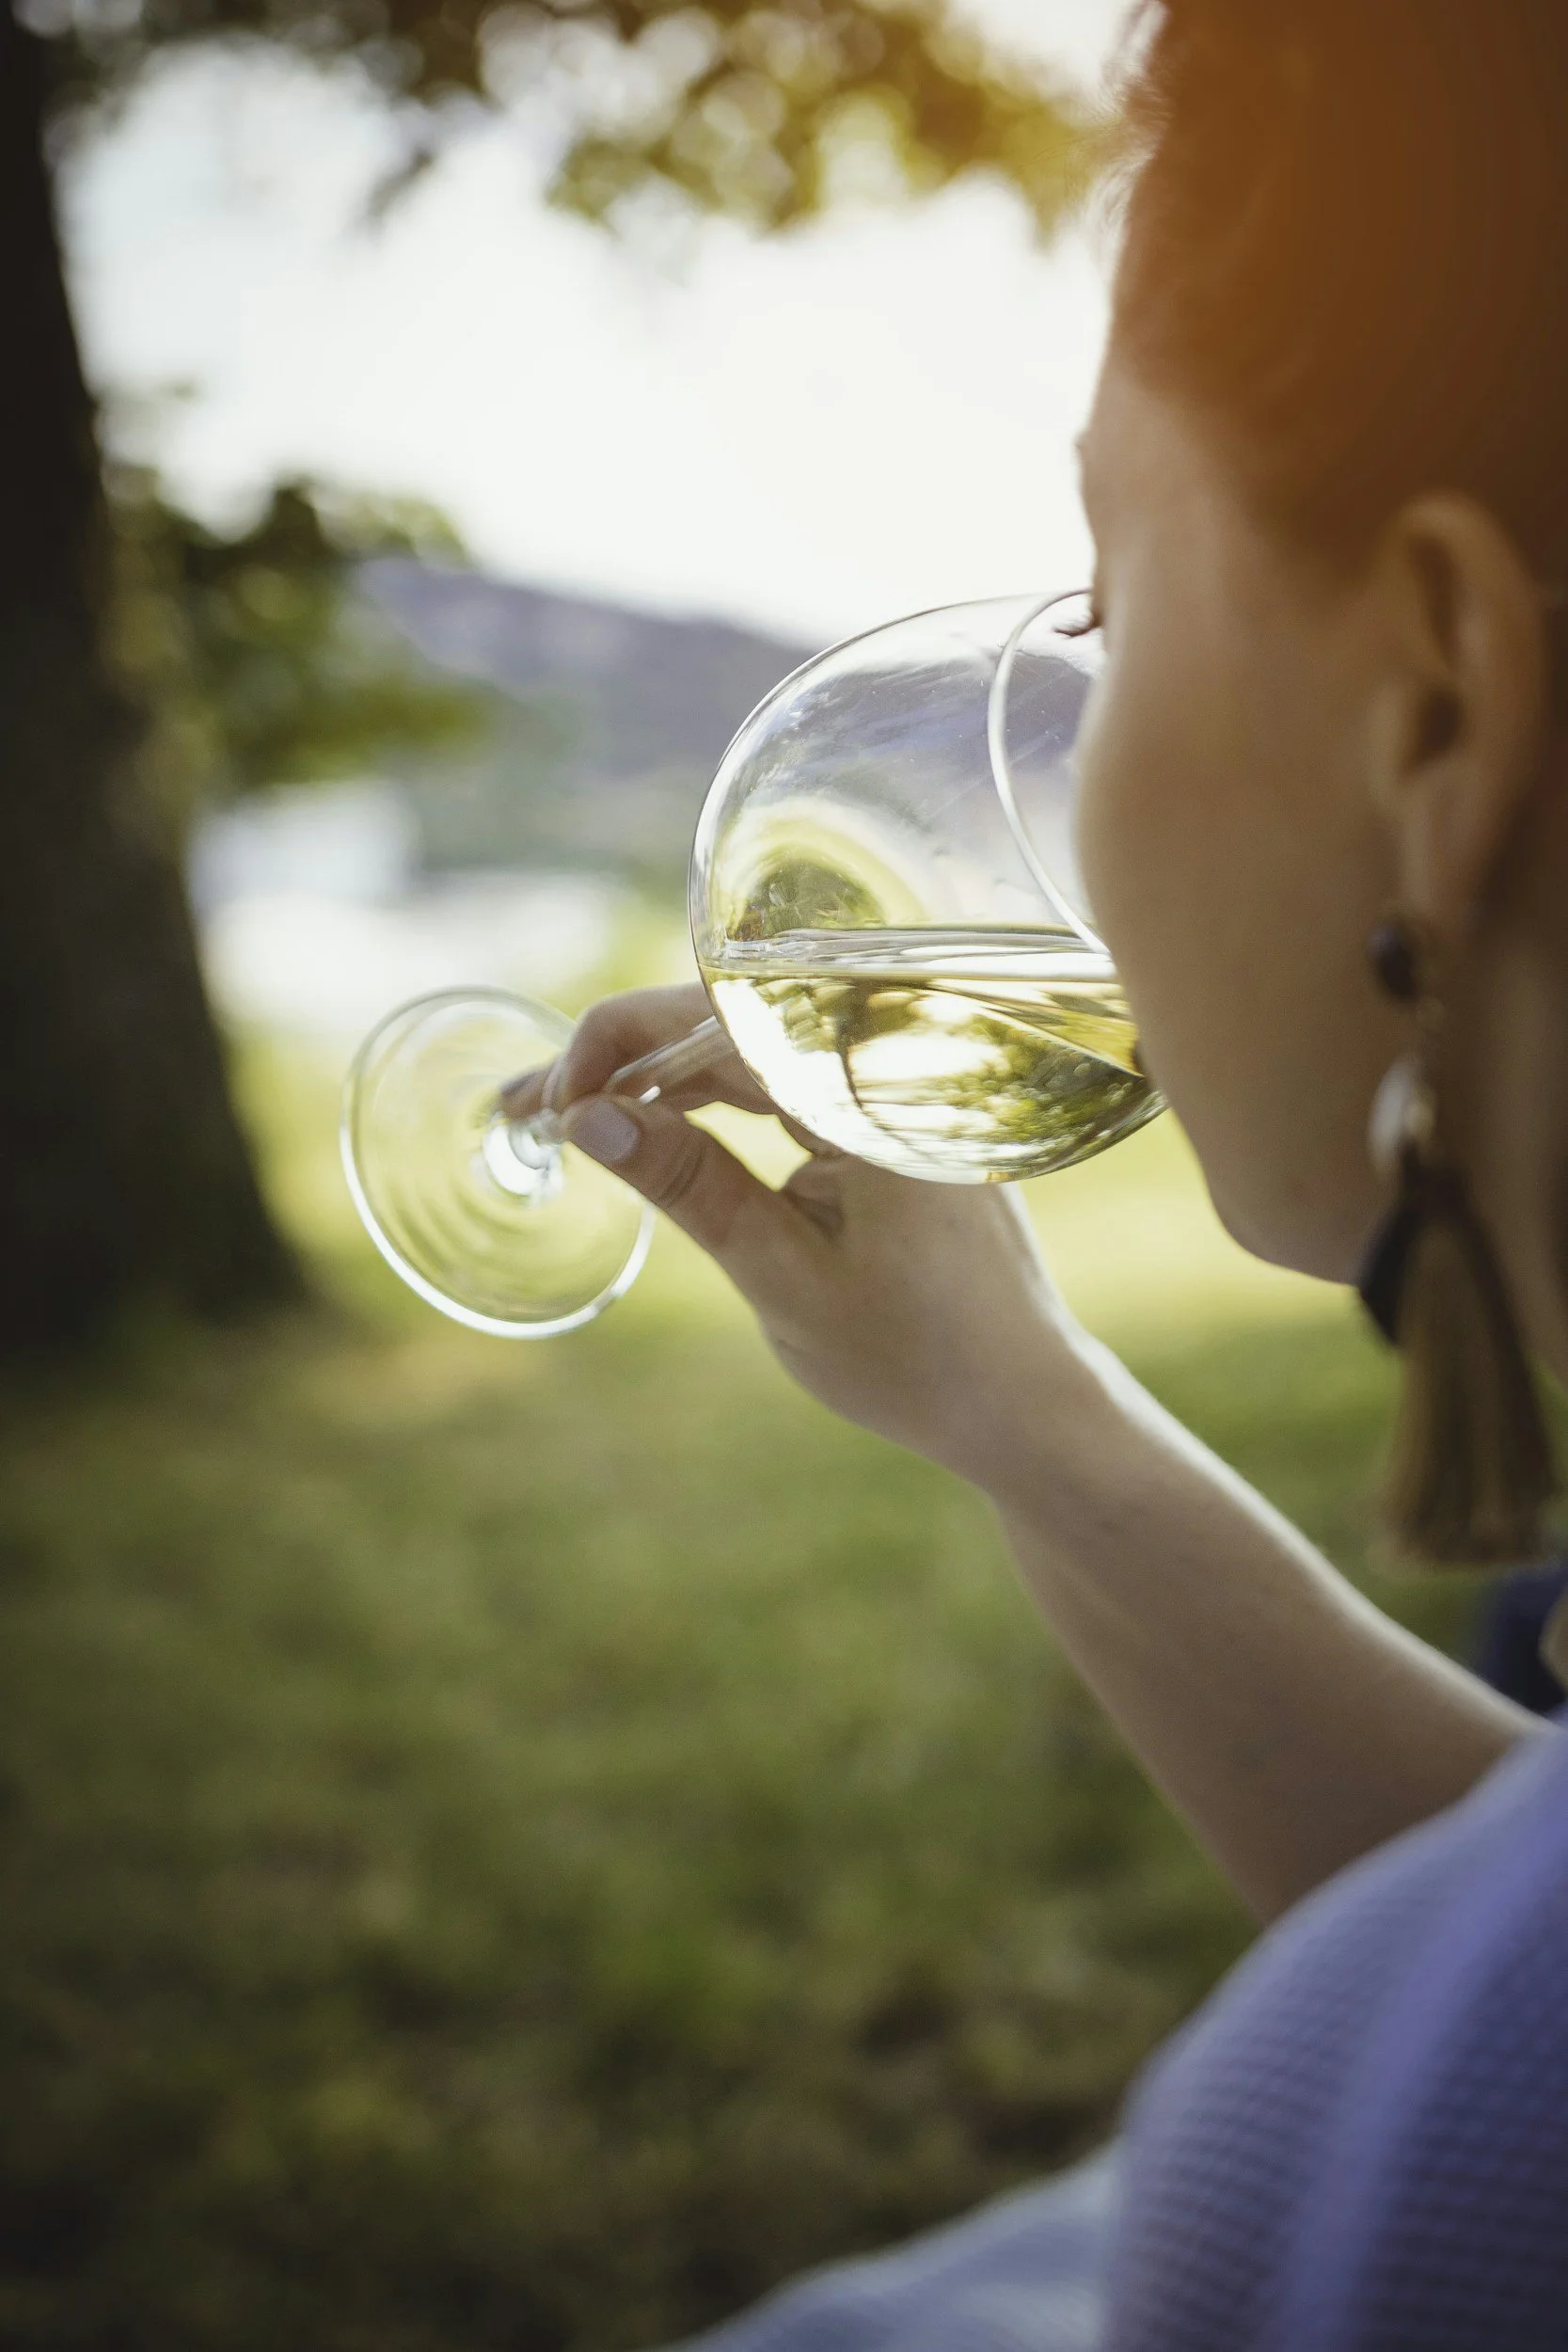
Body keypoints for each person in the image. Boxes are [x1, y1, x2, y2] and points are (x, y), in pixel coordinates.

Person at [515, 3, 1568, 2342]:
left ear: (1435, 714)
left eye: (1106, 592)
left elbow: (1475, 2058)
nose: (1066, 743)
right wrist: (1011, 1408)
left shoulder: (1350, 2200)